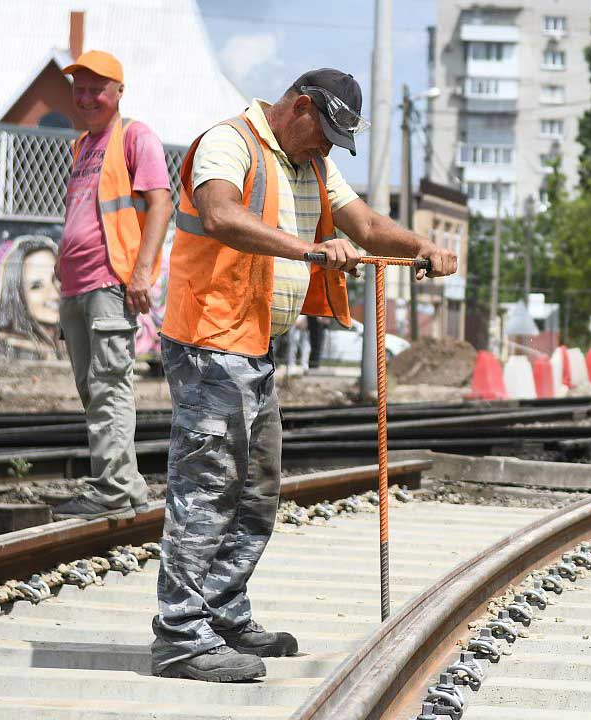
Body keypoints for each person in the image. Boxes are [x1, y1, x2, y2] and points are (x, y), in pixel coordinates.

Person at [151, 68, 457, 683]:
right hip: (210, 340)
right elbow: (219, 214)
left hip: (256, 345)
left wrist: (419, 245)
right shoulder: (229, 142)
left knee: (257, 488)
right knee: (208, 487)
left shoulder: (310, 163)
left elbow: (366, 226)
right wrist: (307, 249)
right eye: (324, 134)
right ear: (298, 108)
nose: (327, 148)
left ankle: (222, 613)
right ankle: (181, 636)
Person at [52, 51, 173, 520]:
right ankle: (124, 484)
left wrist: (143, 272)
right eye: (79, 88)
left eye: (96, 89)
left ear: (118, 92)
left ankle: (111, 488)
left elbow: (160, 205)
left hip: (109, 281)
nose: (86, 97)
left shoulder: (135, 137)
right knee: (92, 388)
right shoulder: (83, 145)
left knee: (108, 386)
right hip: (77, 286)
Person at [0, 235, 62, 360]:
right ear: (16, 294)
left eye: (56, 279)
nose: (54, 293)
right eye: (36, 286)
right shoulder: (11, 345)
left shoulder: (70, 341)